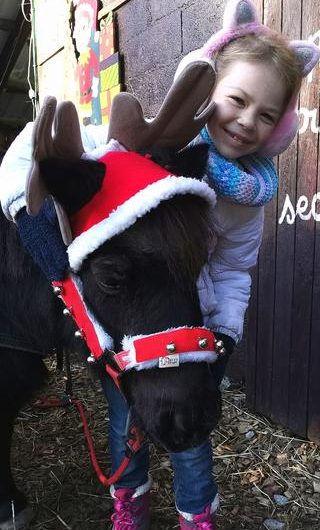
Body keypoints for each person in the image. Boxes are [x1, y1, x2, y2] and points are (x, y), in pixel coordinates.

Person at [0, 1, 319, 529]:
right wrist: (34, 225)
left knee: (193, 436)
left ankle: (197, 513)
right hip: (131, 330)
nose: (246, 122)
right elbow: (23, 158)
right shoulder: (143, 145)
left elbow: (236, 271)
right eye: (236, 100)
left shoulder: (247, 199)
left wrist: (226, 335)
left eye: (267, 115)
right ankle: (131, 502)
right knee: (125, 421)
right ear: (206, 92)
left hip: (194, 330)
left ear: (281, 127)